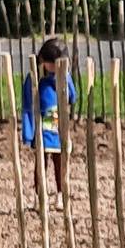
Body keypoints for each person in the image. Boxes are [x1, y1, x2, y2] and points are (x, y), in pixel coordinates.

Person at [18, 37, 76, 198]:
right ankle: (39, 194)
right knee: (41, 163)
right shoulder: (35, 78)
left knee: (60, 162)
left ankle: (60, 193)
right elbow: (28, 105)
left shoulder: (63, 76)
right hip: (42, 127)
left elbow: (72, 97)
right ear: (44, 60)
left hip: (59, 127)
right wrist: (28, 132)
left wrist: (66, 78)